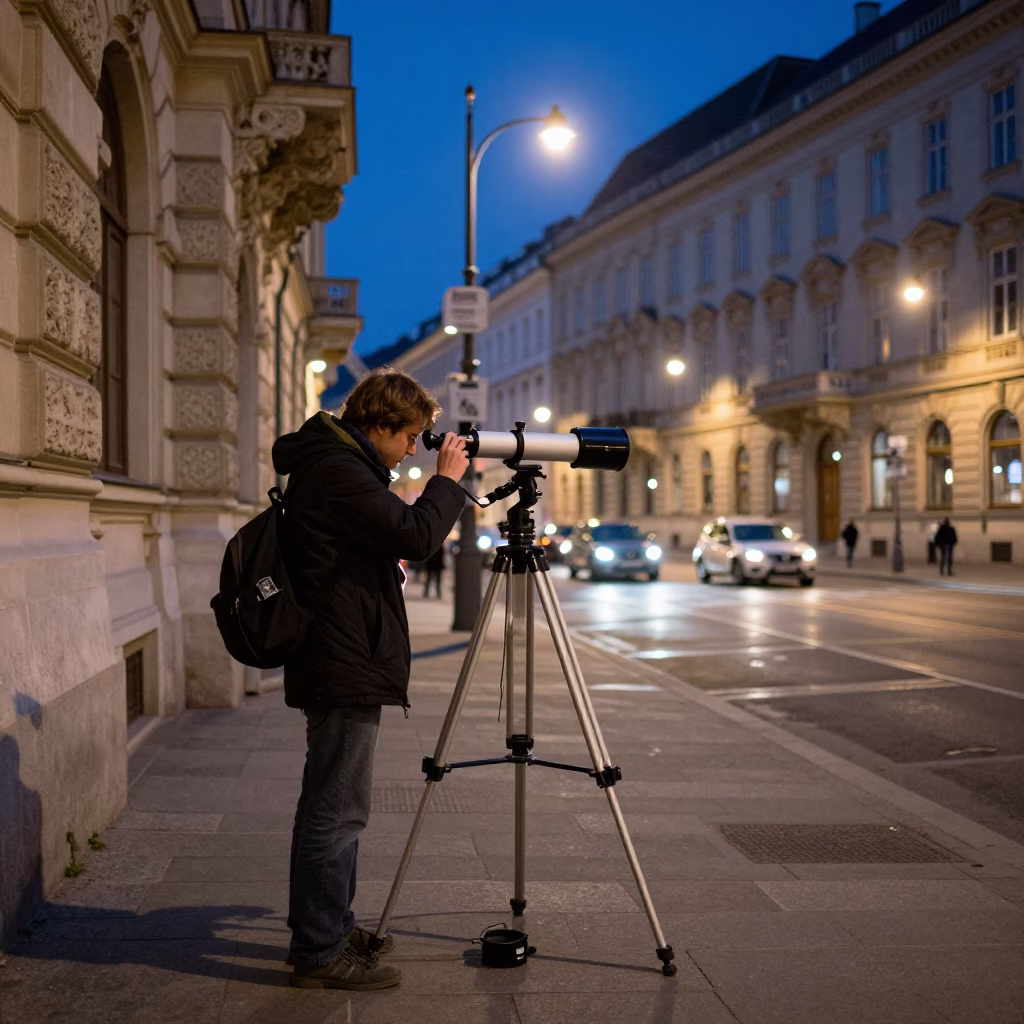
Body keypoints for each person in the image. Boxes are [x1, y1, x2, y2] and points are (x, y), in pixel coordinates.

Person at [271, 368, 468, 992]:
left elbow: (384, 540)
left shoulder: (339, 466)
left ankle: (328, 927)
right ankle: (319, 950)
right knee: (337, 808)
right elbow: (417, 532)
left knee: (335, 803)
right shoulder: (338, 470)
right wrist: (448, 483)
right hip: (341, 658)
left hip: (342, 653)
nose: (414, 448)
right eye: (409, 435)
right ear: (379, 424)